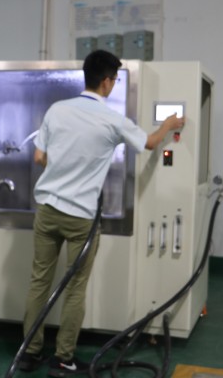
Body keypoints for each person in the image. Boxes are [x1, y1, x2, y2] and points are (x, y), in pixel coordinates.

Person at [19, 50, 184, 376]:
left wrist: (63, 166)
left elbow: (39, 157)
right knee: (75, 287)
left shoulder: (57, 109)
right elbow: (151, 144)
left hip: (47, 210)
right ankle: (63, 358)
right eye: (114, 80)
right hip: (81, 218)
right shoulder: (112, 119)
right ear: (107, 82)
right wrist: (168, 124)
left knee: (39, 281)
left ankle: (29, 353)